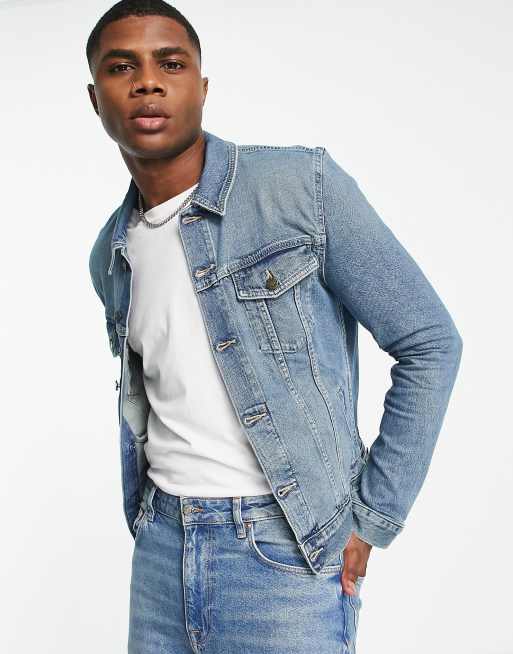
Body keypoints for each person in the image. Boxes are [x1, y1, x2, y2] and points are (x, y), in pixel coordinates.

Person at [86, 2, 463, 652]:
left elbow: (429, 342)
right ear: (96, 99)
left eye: (170, 64)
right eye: (122, 68)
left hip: (284, 555)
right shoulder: (111, 252)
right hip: (160, 552)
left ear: (202, 86)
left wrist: (372, 516)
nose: (147, 82)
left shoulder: (297, 187)